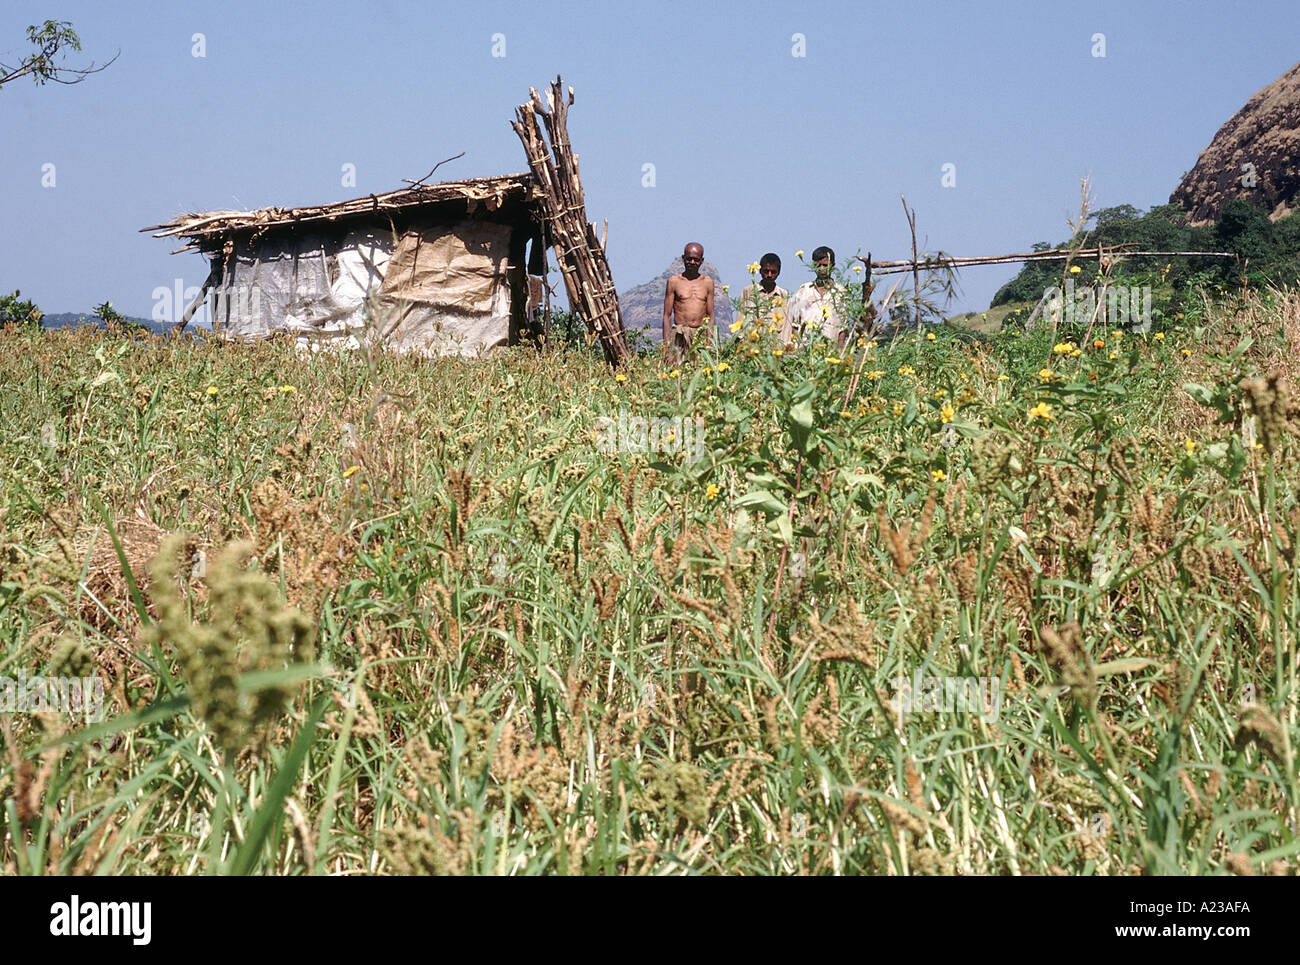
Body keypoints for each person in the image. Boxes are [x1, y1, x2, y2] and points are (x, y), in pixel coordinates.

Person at [662, 242, 715, 363]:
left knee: (699, 372)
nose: (692, 262)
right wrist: (667, 347)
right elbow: (667, 315)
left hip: (699, 335)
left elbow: (710, 315)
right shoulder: (674, 282)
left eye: (695, 260)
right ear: (683, 258)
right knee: (676, 373)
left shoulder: (708, 283)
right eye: (689, 259)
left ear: (701, 261)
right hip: (679, 335)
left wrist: (708, 342)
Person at [789, 246, 848, 346]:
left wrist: (840, 351)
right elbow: (795, 326)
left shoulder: (841, 292)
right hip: (806, 352)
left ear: (832, 266)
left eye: (825, 265)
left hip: (831, 352)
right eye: (818, 265)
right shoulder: (803, 291)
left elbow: (843, 328)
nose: (821, 269)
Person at [736, 253, 792, 343]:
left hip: (774, 349)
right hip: (751, 347)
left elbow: (786, 328)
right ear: (760, 270)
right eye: (766, 271)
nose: (769, 275)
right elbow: (740, 321)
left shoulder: (784, 296)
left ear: (779, 272)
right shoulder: (748, 291)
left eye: (773, 272)